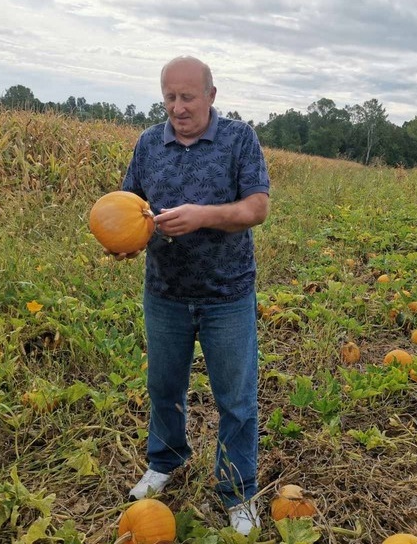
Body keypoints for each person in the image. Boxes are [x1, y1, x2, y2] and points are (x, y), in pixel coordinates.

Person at [113, 55, 270, 535]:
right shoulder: (147, 144)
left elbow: (257, 207)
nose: (178, 108)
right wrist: (124, 242)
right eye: (170, 97)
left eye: (188, 97)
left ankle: (238, 490)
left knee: (235, 399)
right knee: (163, 387)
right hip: (165, 292)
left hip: (227, 293)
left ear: (211, 96)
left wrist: (202, 215)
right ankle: (165, 460)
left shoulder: (239, 139)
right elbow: (129, 207)